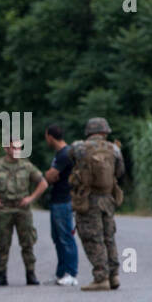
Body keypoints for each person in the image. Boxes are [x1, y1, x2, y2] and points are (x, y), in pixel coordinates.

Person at [0, 138, 47, 286]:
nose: (17, 151)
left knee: (27, 242)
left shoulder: (27, 166)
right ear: (6, 149)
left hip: (23, 209)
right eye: (13, 148)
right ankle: (1, 275)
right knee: (2, 243)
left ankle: (31, 274)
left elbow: (43, 183)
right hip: (4, 209)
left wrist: (31, 198)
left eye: (19, 148)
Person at [69, 117, 126, 292]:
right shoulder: (114, 149)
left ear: (89, 131)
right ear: (105, 131)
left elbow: (71, 159)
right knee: (109, 237)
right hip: (108, 199)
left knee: (93, 238)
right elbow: (120, 171)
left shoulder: (79, 147)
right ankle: (113, 275)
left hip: (88, 198)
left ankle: (101, 278)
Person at [42, 123, 79, 286]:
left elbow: (50, 176)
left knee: (65, 237)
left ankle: (71, 273)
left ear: (50, 136)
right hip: (57, 200)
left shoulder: (65, 154)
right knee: (57, 237)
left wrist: (49, 175)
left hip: (64, 200)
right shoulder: (59, 154)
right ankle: (61, 273)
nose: (46, 140)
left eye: (46, 137)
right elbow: (51, 176)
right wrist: (50, 175)